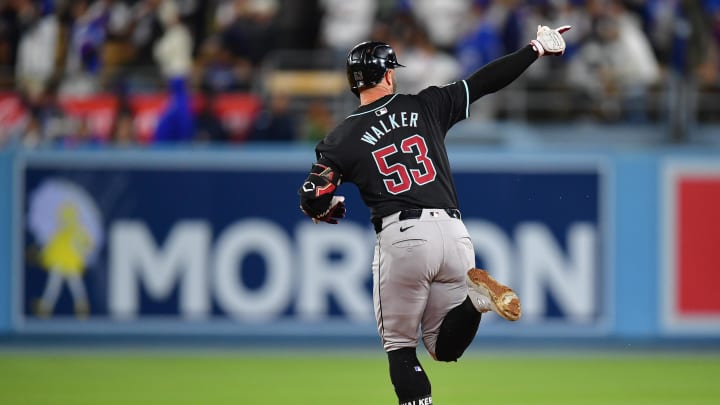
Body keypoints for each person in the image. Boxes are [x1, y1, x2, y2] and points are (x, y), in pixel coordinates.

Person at [297, 25, 571, 405]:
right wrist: (536, 48)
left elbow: (312, 193)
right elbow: (485, 82)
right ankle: (476, 300)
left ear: (352, 83)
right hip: (454, 234)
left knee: (401, 349)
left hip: (403, 236)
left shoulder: (340, 138)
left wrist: (326, 208)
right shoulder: (424, 104)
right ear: (389, 74)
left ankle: (473, 303)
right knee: (444, 348)